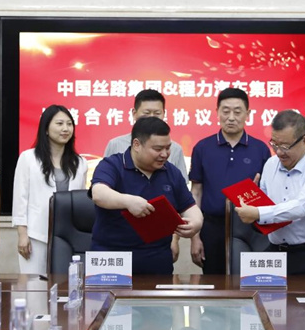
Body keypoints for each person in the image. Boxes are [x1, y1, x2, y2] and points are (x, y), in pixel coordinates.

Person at [90, 116, 203, 274]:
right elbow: (98, 193)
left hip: (157, 259)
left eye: (168, 148)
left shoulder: (171, 172)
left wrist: (196, 223)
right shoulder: (112, 165)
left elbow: (190, 207)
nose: (164, 154)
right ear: (137, 144)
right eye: (158, 149)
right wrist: (128, 202)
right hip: (111, 259)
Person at [234, 110, 305, 275]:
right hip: (275, 253)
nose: (279, 152)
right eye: (274, 144)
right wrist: (254, 198)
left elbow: (301, 208)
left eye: (285, 146)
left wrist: (258, 212)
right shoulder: (271, 164)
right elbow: (266, 205)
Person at [189, 88, 271, 273]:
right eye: (225, 111)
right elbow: (196, 193)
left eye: (237, 111)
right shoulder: (202, 148)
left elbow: (268, 193)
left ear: (248, 114)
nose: (231, 117)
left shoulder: (261, 149)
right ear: (217, 112)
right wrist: (195, 237)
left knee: (247, 281)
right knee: (214, 281)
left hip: (249, 228)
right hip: (212, 227)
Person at [104, 88, 188, 261]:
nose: (151, 118)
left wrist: (174, 238)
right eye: (146, 113)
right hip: (119, 235)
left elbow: (178, 200)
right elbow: (103, 190)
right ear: (134, 113)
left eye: (157, 113)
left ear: (164, 114)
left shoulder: (175, 149)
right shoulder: (115, 145)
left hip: (158, 240)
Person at [12, 105, 88, 274]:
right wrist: (22, 234)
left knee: (67, 284)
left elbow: (80, 201)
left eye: (69, 124)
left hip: (68, 237)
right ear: (46, 129)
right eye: (59, 123)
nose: (65, 129)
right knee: (34, 285)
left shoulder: (80, 162)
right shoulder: (28, 158)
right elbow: (20, 197)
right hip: (36, 235)